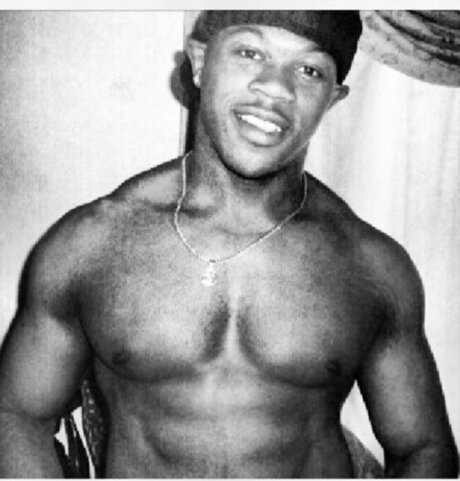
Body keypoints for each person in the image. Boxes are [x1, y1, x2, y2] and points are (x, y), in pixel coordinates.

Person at [0, 10, 458, 478]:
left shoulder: (372, 267)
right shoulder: (91, 245)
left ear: (332, 99)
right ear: (200, 62)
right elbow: (17, 414)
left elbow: (423, 447)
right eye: (250, 52)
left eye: (309, 70)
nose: (276, 88)